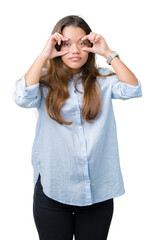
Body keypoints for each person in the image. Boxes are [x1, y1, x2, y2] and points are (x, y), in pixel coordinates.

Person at [13, 15, 143, 240]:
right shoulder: (42, 81)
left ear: (90, 46)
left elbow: (133, 88)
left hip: (98, 191)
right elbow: (22, 97)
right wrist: (43, 55)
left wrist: (107, 53)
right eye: (66, 43)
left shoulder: (103, 80)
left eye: (82, 43)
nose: (75, 50)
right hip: (54, 189)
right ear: (56, 46)